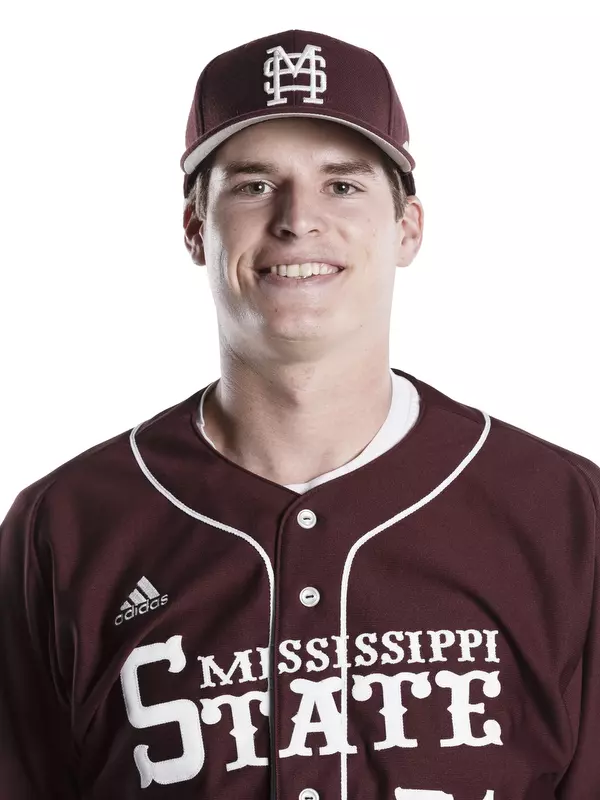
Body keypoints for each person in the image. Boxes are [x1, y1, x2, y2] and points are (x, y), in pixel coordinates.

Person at [0, 28, 598, 800]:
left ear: (408, 228)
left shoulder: (565, 517)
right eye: (253, 185)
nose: (297, 220)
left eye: (342, 185)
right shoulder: (66, 530)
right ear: (194, 228)